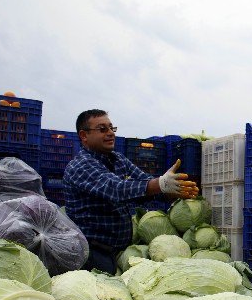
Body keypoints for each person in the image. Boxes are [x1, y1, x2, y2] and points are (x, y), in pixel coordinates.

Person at [63, 109, 198, 275]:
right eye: (102, 129)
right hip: (92, 252)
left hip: (119, 251)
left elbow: (143, 182)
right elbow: (117, 189)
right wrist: (161, 183)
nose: (110, 133)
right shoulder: (80, 166)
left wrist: (171, 191)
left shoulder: (118, 159)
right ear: (84, 136)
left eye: (112, 128)